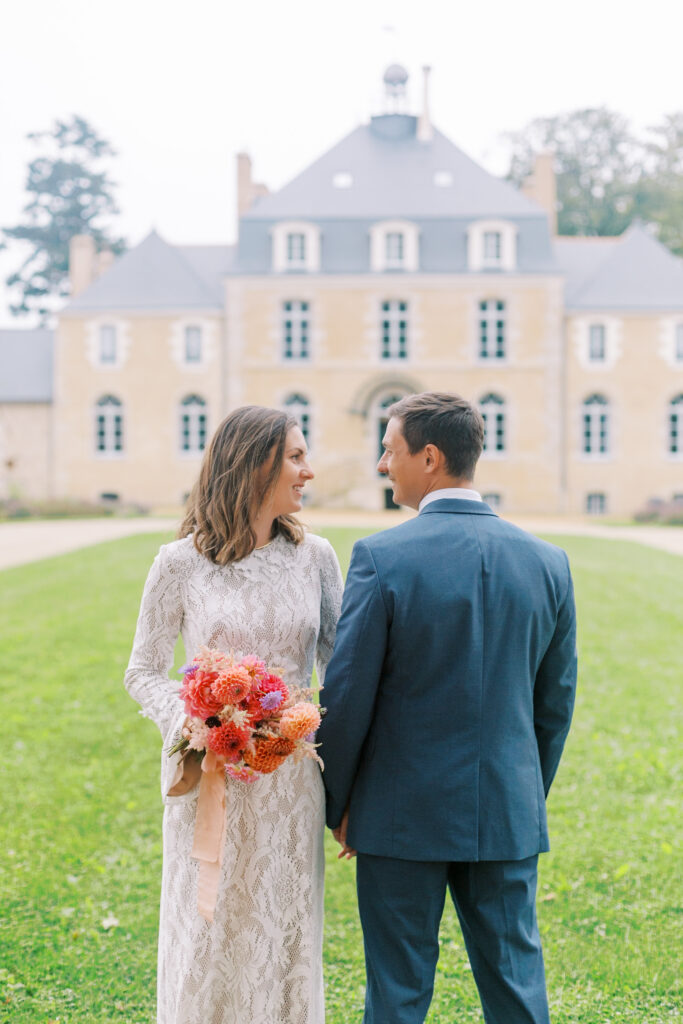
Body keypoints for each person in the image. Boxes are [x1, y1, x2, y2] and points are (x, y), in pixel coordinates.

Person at [317, 391, 577, 1024]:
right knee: (516, 987)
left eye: (389, 449)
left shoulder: (381, 558)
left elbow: (347, 698)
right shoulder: (550, 564)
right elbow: (555, 704)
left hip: (399, 816)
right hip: (507, 810)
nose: (383, 465)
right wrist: (520, 792)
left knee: (398, 994)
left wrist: (339, 805)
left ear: (428, 457)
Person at [124, 405, 343, 1024]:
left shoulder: (317, 557)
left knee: (284, 926)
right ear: (254, 465)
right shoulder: (179, 563)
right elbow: (142, 670)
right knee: (208, 929)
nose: (309, 471)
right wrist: (198, 722)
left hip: (289, 781)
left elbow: (340, 672)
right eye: (296, 458)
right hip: (210, 781)